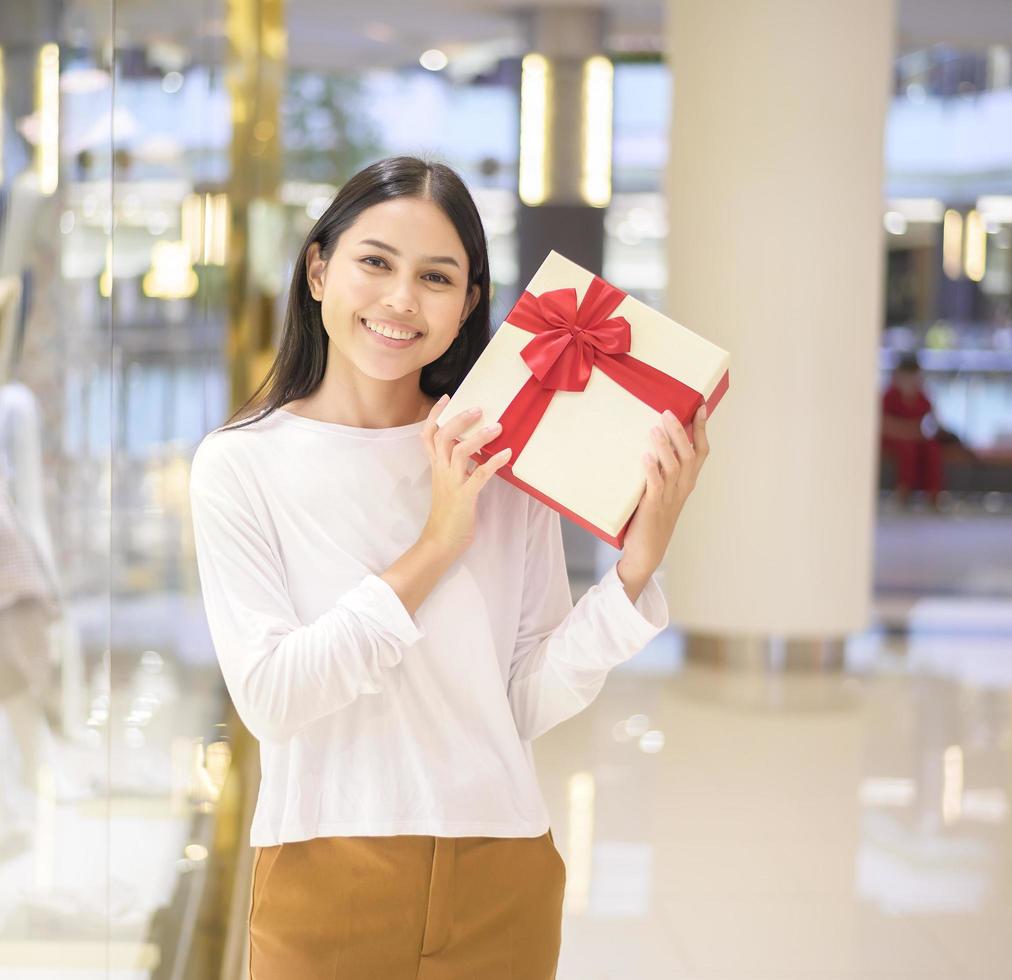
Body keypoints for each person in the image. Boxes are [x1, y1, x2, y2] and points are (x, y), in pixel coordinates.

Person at [187, 156, 709, 979]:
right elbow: (273, 699)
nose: (400, 300)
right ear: (319, 270)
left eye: (436, 277)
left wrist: (634, 572)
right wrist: (436, 543)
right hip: (325, 870)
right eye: (374, 263)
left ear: (468, 305)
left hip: (502, 870)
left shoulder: (503, 454)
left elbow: (522, 697)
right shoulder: (240, 464)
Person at [880, 352, 946, 510]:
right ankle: (903, 492)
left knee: (932, 448)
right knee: (906, 449)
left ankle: (933, 495)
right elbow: (883, 423)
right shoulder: (889, 395)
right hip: (894, 439)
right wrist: (907, 431)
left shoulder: (922, 396)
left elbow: (933, 421)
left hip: (917, 439)